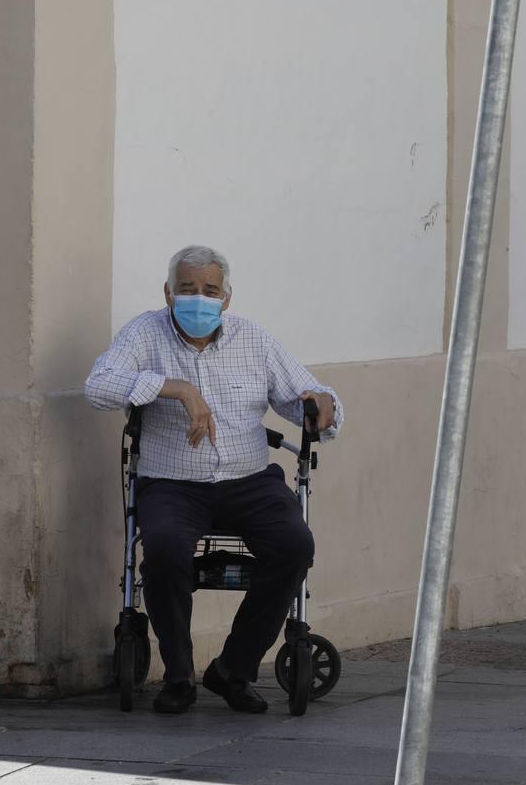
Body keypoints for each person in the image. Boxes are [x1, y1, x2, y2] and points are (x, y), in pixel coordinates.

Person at [85, 246, 343, 715]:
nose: (198, 299)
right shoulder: (146, 334)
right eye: (187, 289)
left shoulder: (254, 340)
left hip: (248, 480)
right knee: (162, 548)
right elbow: (98, 385)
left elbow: (305, 394)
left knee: (293, 545)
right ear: (168, 293)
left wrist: (322, 406)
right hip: (172, 482)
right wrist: (176, 388)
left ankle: (233, 669)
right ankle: (178, 676)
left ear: (226, 298)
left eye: (209, 290)